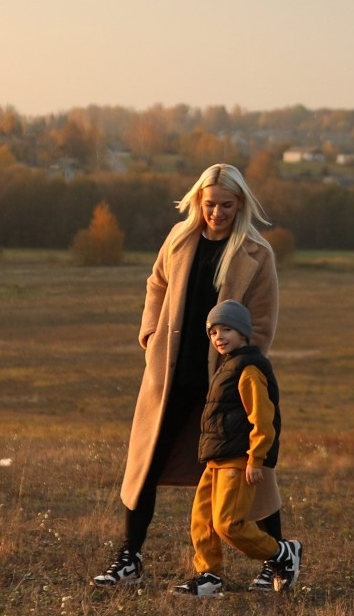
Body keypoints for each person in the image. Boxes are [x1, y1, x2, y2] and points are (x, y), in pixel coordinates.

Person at [93, 164, 284, 587]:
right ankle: (129, 557)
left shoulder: (257, 252)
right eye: (210, 203)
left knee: (252, 471)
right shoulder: (179, 238)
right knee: (146, 463)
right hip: (171, 376)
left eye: (227, 206)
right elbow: (156, 285)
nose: (216, 213)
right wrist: (149, 335)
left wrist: (245, 367)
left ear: (241, 206)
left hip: (228, 381)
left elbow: (264, 320)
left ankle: (277, 558)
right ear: (198, 200)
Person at [175, 300, 303, 596]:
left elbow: (262, 417)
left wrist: (256, 458)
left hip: (237, 459)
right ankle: (209, 574)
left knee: (228, 524)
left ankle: (282, 552)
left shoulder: (249, 370)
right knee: (202, 520)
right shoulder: (226, 367)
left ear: (244, 333)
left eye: (227, 329)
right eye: (213, 332)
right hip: (215, 460)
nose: (219, 336)